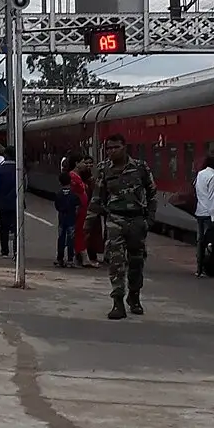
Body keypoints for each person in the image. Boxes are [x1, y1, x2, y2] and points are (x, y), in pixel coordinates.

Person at [93, 132, 156, 319]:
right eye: (109, 148)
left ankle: (134, 296)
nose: (112, 151)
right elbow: (97, 197)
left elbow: (152, 193)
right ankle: (117, 301)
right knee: (116, 262)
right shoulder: (103, 169)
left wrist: (150, 219)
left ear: (124, 147)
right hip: (115, 219)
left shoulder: (140, 167)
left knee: (136, 261)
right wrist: (89, 224)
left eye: (116, 147)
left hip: (136, 220)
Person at [193, 152, 214, 276]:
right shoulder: (213, 177)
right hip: (209, 214)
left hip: (199, 212)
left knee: (200, 241)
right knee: (209, 242)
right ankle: (209, 267)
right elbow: (213, 198)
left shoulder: (200, 174)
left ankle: (199, 268)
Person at [0, 151, 18, 259]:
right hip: (16, 202)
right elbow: (24, 185)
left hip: (3, 202)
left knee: (4, 228)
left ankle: (5, 251)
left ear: (5, 156)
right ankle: (16, 251)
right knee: (17, 228)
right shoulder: (20, 169)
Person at [54, 158, 80, 268]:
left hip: (62, 218)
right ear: (70, 181)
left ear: (60, 182)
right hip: (71, 218)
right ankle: (70, 259)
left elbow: (57, 206)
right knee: (70, 239)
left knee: (61, 238)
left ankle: (60, 258)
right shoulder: (74, 194)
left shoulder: (58, 194)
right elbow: (77, 207)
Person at [71, 154, 94, 266]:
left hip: (82, 209)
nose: (85, 165)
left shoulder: (78, 176)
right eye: (83, 162)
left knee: (81, 232)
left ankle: (82, 257)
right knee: (79, 232)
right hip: (78, 210)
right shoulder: (72, 176)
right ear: (77, 163)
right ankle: (83, 258)